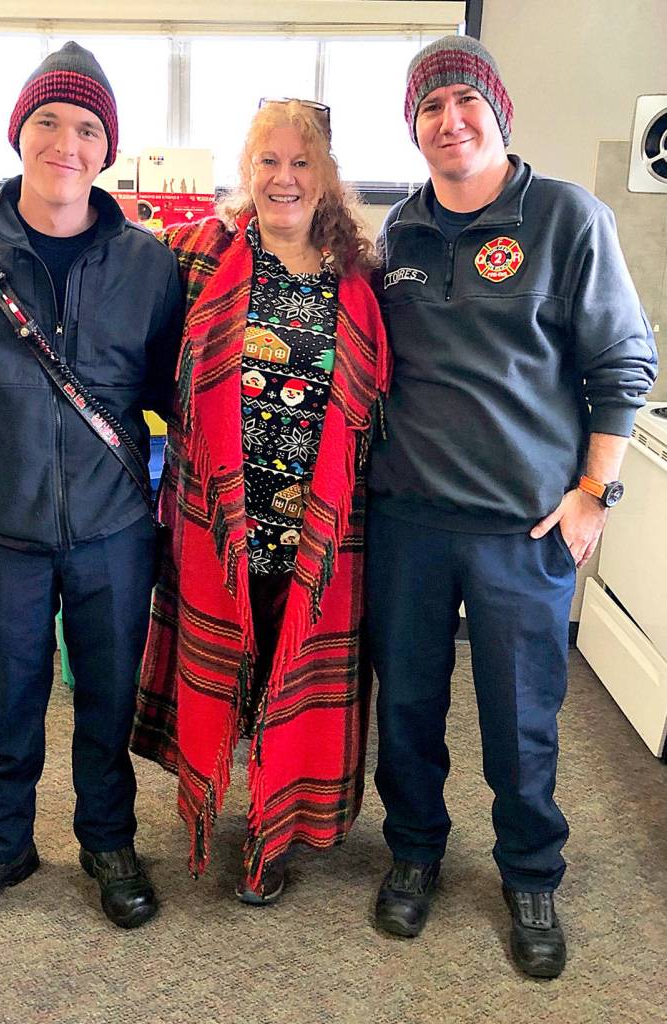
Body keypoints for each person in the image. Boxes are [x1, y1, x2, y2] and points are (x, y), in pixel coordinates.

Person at [0, 99, 389, 906]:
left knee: (292, 691)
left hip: (320, 531)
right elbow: (87, 229)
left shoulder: (365, 275)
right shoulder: (194, 255)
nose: (283, 178)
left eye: (301, 162)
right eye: (266, 161)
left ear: (326, 175)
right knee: (208, 681)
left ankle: (270, 832)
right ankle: (37, 840)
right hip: (216, 523)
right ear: (245, 173)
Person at [366, 35, 657, 977]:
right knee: (405, 706)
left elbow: (623, 364)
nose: (448, 122)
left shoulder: (567, 218)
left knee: (521, 714)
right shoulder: (398, 234)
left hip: (521, 529)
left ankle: (529, 869)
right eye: (428, 107)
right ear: (411, 126)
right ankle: (413, 852)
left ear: (497, 113)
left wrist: (591, 494)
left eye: (463, 102)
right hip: (407, 521)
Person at [0, 41, 183, 938]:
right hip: (1, 529)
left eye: (88, 127)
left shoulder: (149, 263)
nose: (67, 142)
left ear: (108, 148)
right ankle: (0, 843)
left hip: (114, 529)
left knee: (106, 696)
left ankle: (107, 840)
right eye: (48, 121)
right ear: (19, 134)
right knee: (10, 698)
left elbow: (179, 396)